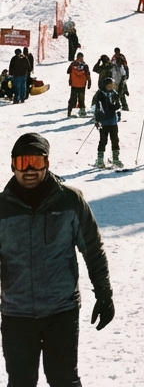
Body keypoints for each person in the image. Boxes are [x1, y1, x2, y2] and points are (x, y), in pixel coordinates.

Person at [0, 133, 114, 384]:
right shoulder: (2, 208)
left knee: (64, 380)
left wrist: (104, 293)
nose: (29, 169)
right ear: (12, 165)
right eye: (22, 162)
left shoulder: (70, 201)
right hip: (16, 314)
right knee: (20, 382)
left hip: (61, 311)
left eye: (36, 162)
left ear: (47, 163)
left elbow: (93, 249)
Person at [92, 77, 122, 169]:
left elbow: (118, 105)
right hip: (104, 121)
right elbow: (97, 108)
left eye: (111, 85)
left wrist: (118, 111)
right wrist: (97, 120)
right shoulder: (100, 94)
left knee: (115, 140)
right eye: (108, 85)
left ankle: (116, 158)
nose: (110, 86)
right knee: (103, 140)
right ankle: (100, 160)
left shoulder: (114, 94)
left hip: (113, 121)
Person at [67, 51, 91, 118]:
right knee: (81, 98)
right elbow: (87, 74)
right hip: (82, 85)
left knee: (72, 98)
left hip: (74, 84)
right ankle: (82, 112)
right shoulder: (85, 66)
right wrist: (89, 81)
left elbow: (68, 71)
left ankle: (69, 112)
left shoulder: (73, 64)